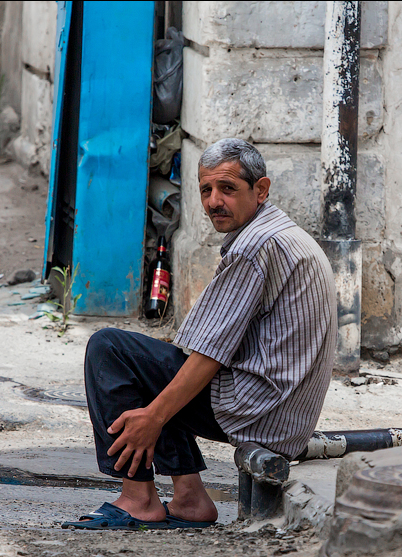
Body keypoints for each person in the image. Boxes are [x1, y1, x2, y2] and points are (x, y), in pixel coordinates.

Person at [63, 138, 337, 530]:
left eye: (228, 189)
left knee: (110, 349)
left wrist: (154, 418)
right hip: (283, 413)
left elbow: (206, 354)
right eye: (205, 190)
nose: (213, 202)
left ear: (261, 189)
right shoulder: (277, 234)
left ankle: (138, 498)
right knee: (158, 363)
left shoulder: (256, 247)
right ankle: (190, 498)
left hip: (260, 413)